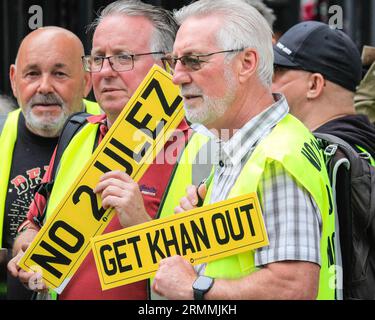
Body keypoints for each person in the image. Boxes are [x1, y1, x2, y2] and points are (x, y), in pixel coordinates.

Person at [152, 0, 335, 300]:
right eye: (175, 61)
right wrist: (202, 226)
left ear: (246, 64)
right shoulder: (245, 142)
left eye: (194, 60)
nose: (177, 77)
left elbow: (293, 289)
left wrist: (194, 288)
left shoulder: (276, 156)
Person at [8, 0, 191, 300]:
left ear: (167, 65)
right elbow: (35, 220)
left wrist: (142, 225)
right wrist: (29, 246)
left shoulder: (200, 145)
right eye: (98, 58)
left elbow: (210, 271)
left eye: (123, 57)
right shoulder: (76, 132)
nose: (105, 71)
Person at [0, 26, 99, 300]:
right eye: (32, 74)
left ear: (87, 81)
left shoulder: (123, 135)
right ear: (13, 79)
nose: (44, 87)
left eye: (59, 73)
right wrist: (19, 247)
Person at [272, 21, 375, 160]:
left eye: (278, 70)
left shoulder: (313, 158)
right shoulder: (364, 146)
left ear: (314, 85)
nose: (267, 80)